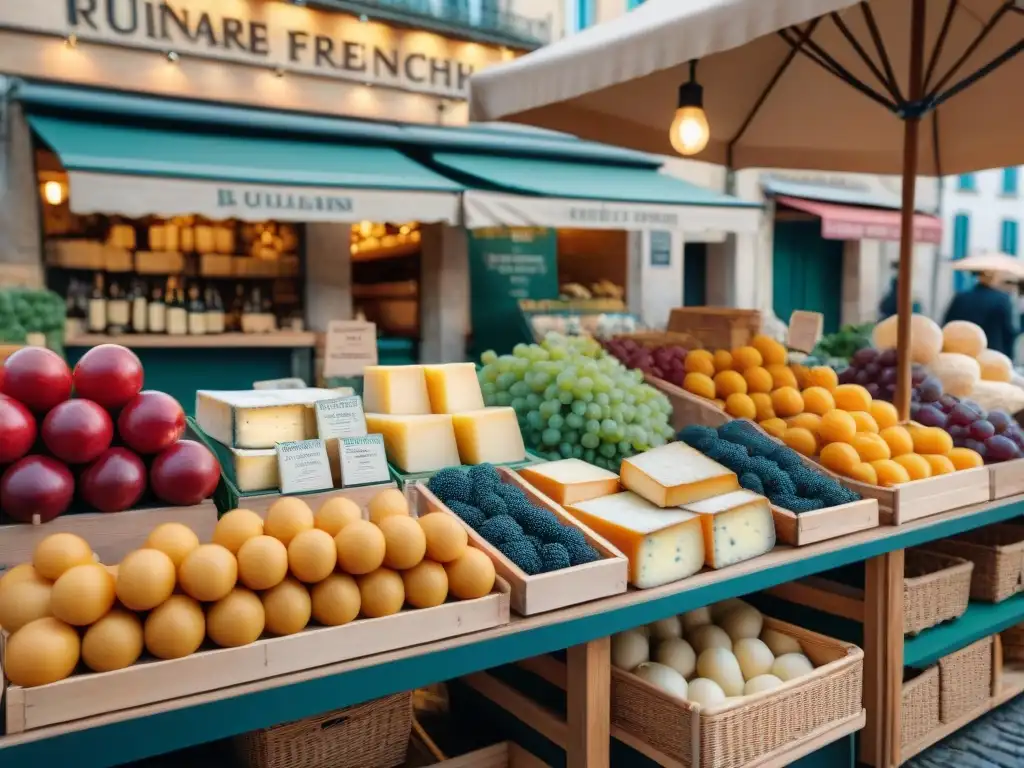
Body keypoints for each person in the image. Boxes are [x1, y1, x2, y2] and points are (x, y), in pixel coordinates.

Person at [943, 271, 1018, 357]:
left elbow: (948, 324)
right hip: (991, 353)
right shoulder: (1002, 299)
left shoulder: (961, 297)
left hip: (959, 352)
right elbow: (1008, 332)